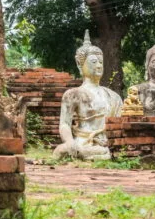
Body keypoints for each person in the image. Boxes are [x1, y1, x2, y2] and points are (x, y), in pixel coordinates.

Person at [53, 31, 123, 160]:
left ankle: (104, 154)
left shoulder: (114, 97)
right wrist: (69, 142)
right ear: (80, 64)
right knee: (67, 150)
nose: (99, 65)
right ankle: (95, 154)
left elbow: (121, 125)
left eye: (101, 62)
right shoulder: (73, 94)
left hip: (108, 143)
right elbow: (64, 124)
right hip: (84, 143)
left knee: (110, 151)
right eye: (94, 62)